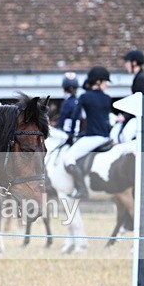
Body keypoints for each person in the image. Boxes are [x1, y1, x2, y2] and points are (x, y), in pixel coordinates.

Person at [62, 66, 114, 200]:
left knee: (68, 158)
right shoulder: (108, 98)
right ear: (98, 82)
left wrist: (71, 136)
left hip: (92, 138)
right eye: (105, 82)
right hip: (107, 138)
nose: (107, 85)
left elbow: (74, 117)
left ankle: (81, 190)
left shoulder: (85, 97)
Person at [113, 49, 144, 143]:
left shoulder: (141, 79)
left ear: (134, 63)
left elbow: (139, 102)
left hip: (142, 116)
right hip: (139, 114)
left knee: (125, 135)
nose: (125, 65)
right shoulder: (139, 77)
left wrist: (125, 116)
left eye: (127, 62)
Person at [57, 72, 80, 142]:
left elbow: (62, 121)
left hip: (67, 135)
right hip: (78, 134)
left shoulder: (66, 103)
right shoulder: (79, 101)